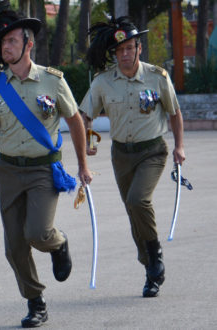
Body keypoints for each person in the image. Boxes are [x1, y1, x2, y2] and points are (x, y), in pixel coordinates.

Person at [0, 0, 91, 328]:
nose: (6, 47)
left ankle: (58, 244)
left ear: (28, 44)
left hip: (44, 170)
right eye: (3, 42)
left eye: (12, 41)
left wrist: (83, 165)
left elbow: (75, 123)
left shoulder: (52, 81)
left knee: (38, 233)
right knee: (14, 246)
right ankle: (35, 301)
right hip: (9, 171)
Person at [79, 17, 185, 298]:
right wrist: (88, 139)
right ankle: (150, 267)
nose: (125, 54)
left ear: (139, 48)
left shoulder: (157, 77)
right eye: (120, 50)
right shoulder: (103, 82)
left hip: (152, 151)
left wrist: (179, 147)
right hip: (121, 156)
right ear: (114, 53)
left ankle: (155, 255)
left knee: (139, 200)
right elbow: (83, 116)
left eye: (130, 48)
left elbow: (174, 113)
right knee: (132, 210)